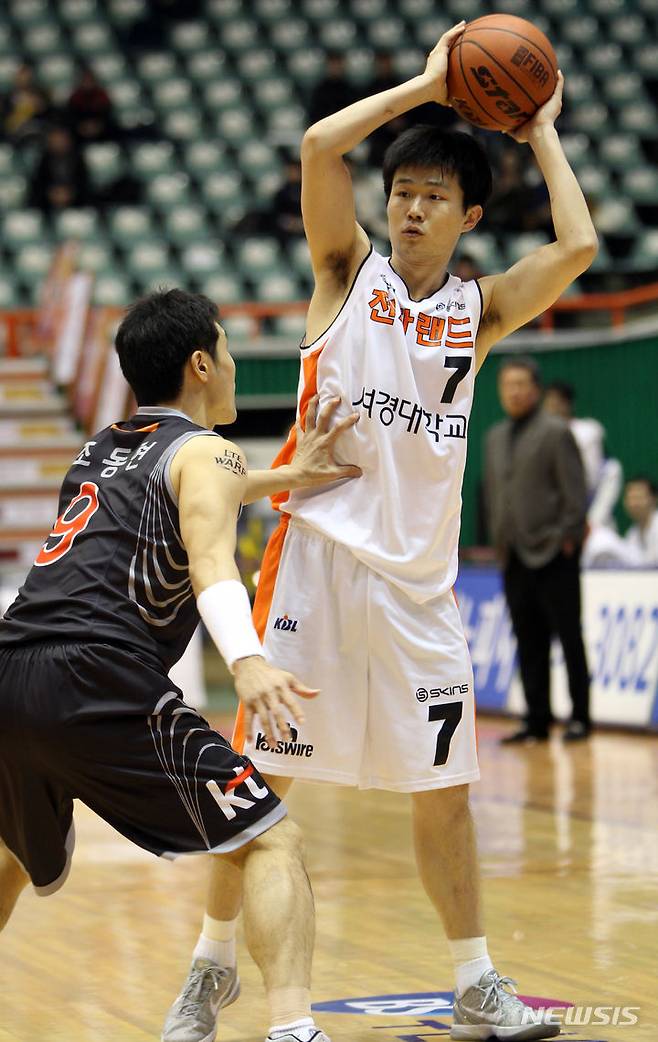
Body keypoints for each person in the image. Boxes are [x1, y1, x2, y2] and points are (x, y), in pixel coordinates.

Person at [165, 22, 597, 1042]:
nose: (409, 206)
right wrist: (428, 84)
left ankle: (477, 980)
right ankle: (208, 968)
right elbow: (321, 149)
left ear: (466, 215)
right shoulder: (341, 273)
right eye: (402, 191)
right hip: (312, 564)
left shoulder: (478, 313)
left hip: (419, 590)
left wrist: (538, 129)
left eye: (433, 196)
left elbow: (577, 246)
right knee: (259, 783)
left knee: (444, 790)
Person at [0, 289, 362, 1042]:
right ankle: (294, 1028)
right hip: (95, 673)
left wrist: (289, 478)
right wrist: (249, 658)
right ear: (202, 362)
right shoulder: (211, 449)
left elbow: (196, 489)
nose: (230, 364)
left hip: (11, 669)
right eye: (227, 351)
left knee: (7, 849)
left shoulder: (101, 446)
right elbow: (209, 556)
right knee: (269, 837)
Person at [484, 358, 591, 743]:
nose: (513, 392)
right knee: (528, 641)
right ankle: (537, 720)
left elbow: (575, 496)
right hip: (513, 555)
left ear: (536, 389)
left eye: (521, 384)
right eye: (507, 385)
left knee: (569, 637)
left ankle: (580, 717)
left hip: (553, 554)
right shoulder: (494, 436)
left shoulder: (556, 432)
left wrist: (566, 540)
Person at [543, 379, 622, 529]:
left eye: (556, 402)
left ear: (567, 404)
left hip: (591, 512)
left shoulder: (588, 431)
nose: (551, 408)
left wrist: (592, 520)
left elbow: (593, 476)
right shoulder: (543, 437)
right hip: (559, 519)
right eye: (548, 402)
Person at [29, 123, 90, 212]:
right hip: (49, 200)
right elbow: (39, 183)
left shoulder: (78, 158)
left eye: (61, 140)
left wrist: (71, 193)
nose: (58, 143)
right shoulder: (43, 160)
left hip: (75, 198)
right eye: (55, 141)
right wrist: (51, 193)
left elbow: (83, 181)